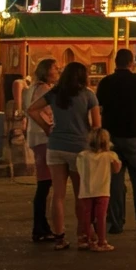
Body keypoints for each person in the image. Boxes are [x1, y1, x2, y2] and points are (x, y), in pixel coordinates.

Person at [25, 61, 99, 251]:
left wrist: (47, 127)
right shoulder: (89, 95)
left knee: (57, 195)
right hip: (78, 148)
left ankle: (59, 237)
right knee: (79, 194)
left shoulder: (55, 93)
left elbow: (32, 110)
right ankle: (83, 236)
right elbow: (97, 125)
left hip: (55, 147)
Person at [95, 48, 136, 236]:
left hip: (111, 137)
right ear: (131, 63)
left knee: (115, 182)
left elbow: (96, 108)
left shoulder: (106, 82)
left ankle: (115, 222)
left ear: (115, 62)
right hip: (134, 136)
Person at [24, 59, 59, 242]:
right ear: (46, 71)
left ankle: (42, 225)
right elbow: (36, 111)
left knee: (44, 184)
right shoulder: (45, 90)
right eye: (54, 67)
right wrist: (47, 127)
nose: (57, 70)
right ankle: (39, 227)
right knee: (45, 184)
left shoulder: (31, 88)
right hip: (43, 138)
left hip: (35, 137)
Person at [75, 128, 122, 252]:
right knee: (101, 216)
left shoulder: (82, 155)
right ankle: (102, 241)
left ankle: (89, 239)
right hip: (102, 190)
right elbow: (117, 170)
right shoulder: (111, 156)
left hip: (86, 190)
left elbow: (79, 171)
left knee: (87, 216)